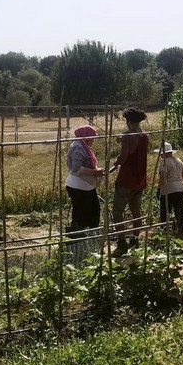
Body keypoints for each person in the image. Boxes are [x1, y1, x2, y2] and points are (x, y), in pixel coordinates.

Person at [110, 107, 149, 256]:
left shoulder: (127, 136)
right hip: (139, 180)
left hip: (126, 179)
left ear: (129, 121)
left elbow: (123, 157)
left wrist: (113, 166)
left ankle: (121, 244)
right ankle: (134, 239)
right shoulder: (145, 136)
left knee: (118, 212)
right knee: (136, 211)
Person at [65, 125, 105, 262]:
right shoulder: (77, 147)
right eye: (92, 138)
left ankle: (86, 243)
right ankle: (78, 248)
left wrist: (96, 171)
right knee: (83, 215)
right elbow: (76, 169)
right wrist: (95, 172)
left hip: (85, 186)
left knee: (92, 213)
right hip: (79, 186)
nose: (93, 141)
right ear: (85, 136)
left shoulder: (82, 146)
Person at [158, 142, 183, 237]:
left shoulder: (165, 162)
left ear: (165, 153)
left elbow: (162, 177)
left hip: (169, 189)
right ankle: (181, 229)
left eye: (162, 153)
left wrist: (159, 189)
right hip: (180, 189)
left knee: (165, 211)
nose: (161, 155)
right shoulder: (178, 160)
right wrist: (182, 183)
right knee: (179, 210)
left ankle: (164, 230)